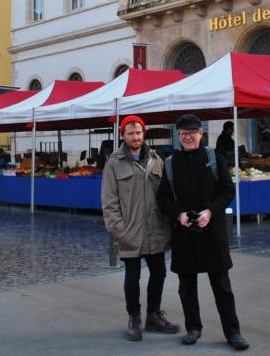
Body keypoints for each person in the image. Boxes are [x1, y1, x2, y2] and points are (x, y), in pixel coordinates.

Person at [157, 114, 249, 351]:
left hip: (212, 232)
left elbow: (227, 190)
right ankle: (193, 328)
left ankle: (233, 331)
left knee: (222, 286)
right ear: (179, 136)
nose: (188, 137)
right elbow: (163, 198)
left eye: (192, 133)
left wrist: (210, 211)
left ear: (201, 134)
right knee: (186, 287)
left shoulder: (214, 158)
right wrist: (179, 215)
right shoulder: (170, 163)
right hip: (184, 233)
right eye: (184, 133)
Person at [102, 115, 180, 342]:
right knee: (132, 276)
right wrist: (120, 230)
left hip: (155, 230)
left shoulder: (156, 160)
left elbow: (166, 194)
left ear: (143, 134)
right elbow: (109, 202)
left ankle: (153, 316)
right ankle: (134, 318)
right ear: (122, 135)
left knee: (159, 272)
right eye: (130, 133)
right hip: (130, 232)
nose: (135, 137)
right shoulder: (114, 163)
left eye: (138, 133)